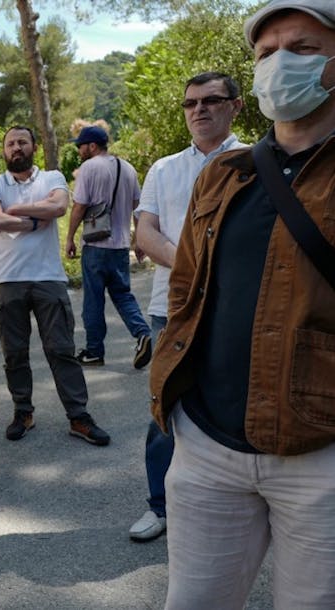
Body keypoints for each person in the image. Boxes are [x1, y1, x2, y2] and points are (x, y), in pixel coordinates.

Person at [150, 0, 335, 606]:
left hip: (320, 454)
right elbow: (186, 285)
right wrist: (180, 405)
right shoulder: (225, 172)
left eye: (302, 48)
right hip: (208, 446)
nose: (280, 63)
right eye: (266, 53)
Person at [129, 72, 246, 543]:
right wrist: (194, 269)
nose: (198, 110)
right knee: (167, 408)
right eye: (190, 102)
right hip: (171, 308)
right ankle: (159, 506)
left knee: (234, 406)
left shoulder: (257, 162)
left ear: (236, 106)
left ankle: (231, 508)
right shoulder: (164, 169)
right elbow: (145, 232)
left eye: (211, 100)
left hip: (239, 307)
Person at [0, 125, 110, 446]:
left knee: (61, 350)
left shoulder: (51, 177)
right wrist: (35, 221)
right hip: (7, 279)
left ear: (34, 147)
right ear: (4, 150)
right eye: (10, 143)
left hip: (48, 277)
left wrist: (14, 210)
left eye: (22, 142)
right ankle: (22, 412)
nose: (16, 147)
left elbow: (58, 207)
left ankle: (78, 416)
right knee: (14, 354)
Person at [65, 126, 152, 369]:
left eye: (80, 146)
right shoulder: (128, 168)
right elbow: (138, 207)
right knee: (122, 294)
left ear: (92, 146)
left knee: (93, 300)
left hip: (95, 245)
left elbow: (79, 206)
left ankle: (94, 351)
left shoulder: (88, 168)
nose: (79, 150)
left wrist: (70, 237)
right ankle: (143, 333)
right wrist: (139, 240)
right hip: (121, 246)